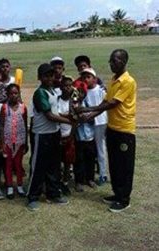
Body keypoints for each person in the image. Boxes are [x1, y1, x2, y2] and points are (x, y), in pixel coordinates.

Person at [76, 49, 136, 213]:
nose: (111, 63)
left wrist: (88, 110)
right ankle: (117, 194)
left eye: (115, 61)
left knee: (125, 166)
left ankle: (124, 199)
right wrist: (88, 115)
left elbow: (112, 104)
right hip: (112, 127)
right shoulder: (113, 80)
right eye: (110, 60)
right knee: (115, 164)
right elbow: (105, 101)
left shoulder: (127, 81)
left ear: (123, 62)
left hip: (125, 130)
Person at [27, 63, 73, 211]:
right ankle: (32, 196)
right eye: (46, 75)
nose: (49, 78)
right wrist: (69, 121)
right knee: (38, 167)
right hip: (42, 136)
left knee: (54, 166)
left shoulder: (53, 91)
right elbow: (49, 116)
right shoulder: (40, 93)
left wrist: (69, 116)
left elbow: (56, 112)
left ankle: (53, 194)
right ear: (39, 77)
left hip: (54, 134)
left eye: (51, 75)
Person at [0, 84, 28, 199]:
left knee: (18, 164)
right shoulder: (4, 108)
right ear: (7, 94)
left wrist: (26, 142)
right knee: (8, 164)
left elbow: (25, 124)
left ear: (19, 94)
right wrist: (2, 142)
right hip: (7, 141)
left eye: (16, 93)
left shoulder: (23, 107)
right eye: (11, 93)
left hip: (20, 141)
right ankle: (10, 186)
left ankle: (20, 185)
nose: (13, 95)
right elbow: (1, 125)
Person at [81, 68, 108, 186]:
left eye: (89, 77)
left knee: (101, 148)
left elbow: (105, 105)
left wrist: (91, 115)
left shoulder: (100, 90)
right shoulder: (84, 92)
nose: (86, 79)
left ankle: (103, 174)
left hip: (101, 122)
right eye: (84, 77)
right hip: (90, 123)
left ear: (95, 79)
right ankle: (100, 173)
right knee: (96, 149)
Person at [73, 84, 97, 192]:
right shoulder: (74, 105)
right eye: (79, 92)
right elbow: (73, 119)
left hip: (90, 137)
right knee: (79, 159)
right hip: (79, 137)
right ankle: (79, 181)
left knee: (90, 158)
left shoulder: (89, 104)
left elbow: (93, 119)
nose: (81, 95)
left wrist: (87, 117)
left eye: (83, 92)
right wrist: (79, 117)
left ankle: (90, 178)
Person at [58, 77, 76, 196]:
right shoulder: (57, 100)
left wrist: (70, 136)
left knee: (67, 161)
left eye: (69, 86)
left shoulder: (73, 101)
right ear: (60, 87)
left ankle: (65, 183)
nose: (67, 88)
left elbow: (75, 119)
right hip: (58, 135)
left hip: (69, 135)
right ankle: (57, 182)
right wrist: (68, 116)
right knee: (56, 161)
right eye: (65, 86)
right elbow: (55, 115)